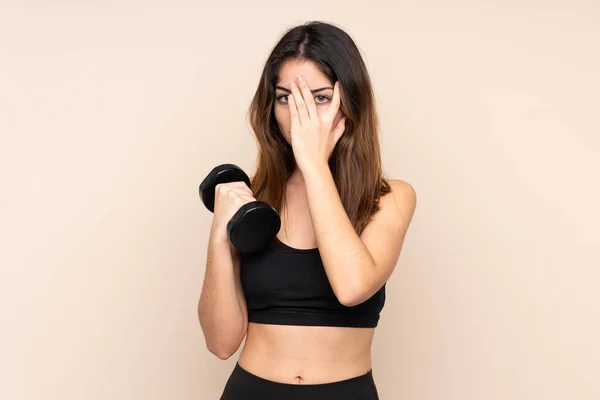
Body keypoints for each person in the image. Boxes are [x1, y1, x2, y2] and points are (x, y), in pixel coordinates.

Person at [198, 20, 417, 399]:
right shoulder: (256, 197)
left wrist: (314, 164)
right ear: (270, 106)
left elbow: (352, 288)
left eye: (318, 98)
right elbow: (220, 343)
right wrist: (220, 234)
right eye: (285, 97)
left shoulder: (390, 198)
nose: (300, 115)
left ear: (350, 102)